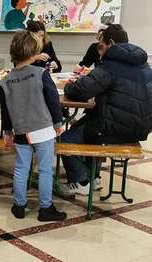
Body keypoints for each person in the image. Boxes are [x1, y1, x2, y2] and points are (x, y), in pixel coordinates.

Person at [61, 24, 152, 195]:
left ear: (110, 43)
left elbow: (82, 90)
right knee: (84, 129)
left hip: (117, 126)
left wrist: (68, 88)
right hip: (141, 127)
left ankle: (80, 181)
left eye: (100, 45)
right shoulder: (142, 64)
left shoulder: (111, 65)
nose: (99, 51)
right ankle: (93, 178)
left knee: (66, 139)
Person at [0, 30, 67, 222]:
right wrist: (58, 122)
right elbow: (53, 100)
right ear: (33, 52)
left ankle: (19, 205)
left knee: (21, 168)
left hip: (21, 131)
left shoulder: (5, 81)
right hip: (43, 130)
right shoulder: (41, 74)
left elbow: (5, 110)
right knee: (45, 170)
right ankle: (46, 208)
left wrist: (7, 131)